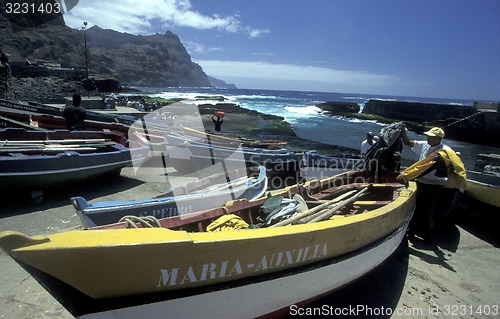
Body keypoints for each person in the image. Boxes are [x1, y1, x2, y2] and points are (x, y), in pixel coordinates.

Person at [401, 126, 456, 241]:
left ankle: (428, 237)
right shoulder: (424, 145)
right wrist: (403, 131)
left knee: (429, 212)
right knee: (416, 208)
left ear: (437, 138)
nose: (427, 138)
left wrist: (440, 159)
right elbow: (407, 142)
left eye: (430, 136)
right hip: (421, 182)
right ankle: (411, 233)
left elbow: (452, 162)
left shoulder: (446, 150)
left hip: (435, 186)